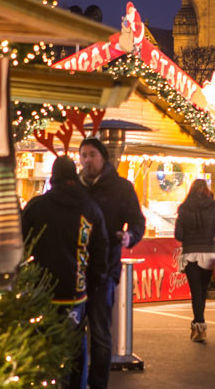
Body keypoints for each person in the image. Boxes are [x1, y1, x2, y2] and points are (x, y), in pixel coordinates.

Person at [22, 156, 107, 389]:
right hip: (75, 292)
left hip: (41, 291)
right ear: (74, 177)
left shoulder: (36, 207)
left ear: (53, 177)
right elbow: (101, 254)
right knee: (75, 349)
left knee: (40, 346)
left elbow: (19, 245)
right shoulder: (90, 210)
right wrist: (92, 286)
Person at [78, 137, 145, 389]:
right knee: (74, 332)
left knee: (100, 334)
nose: (87, 160)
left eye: (92, 155)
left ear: (103, 157)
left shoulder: (121, 188)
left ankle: (98, 384)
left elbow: (137, 222)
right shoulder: (76, 187)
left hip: (105, 271)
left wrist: (130, 236)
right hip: (75, 271)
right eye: (83, 155)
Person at [174, 178, 215, 343]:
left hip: (191, 254)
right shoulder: (214, 207)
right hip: (209, 253)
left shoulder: (184, 208)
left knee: (196, 291)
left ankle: (199, 325)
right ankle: (198, 324)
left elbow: (179, 235)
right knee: (202, 291)